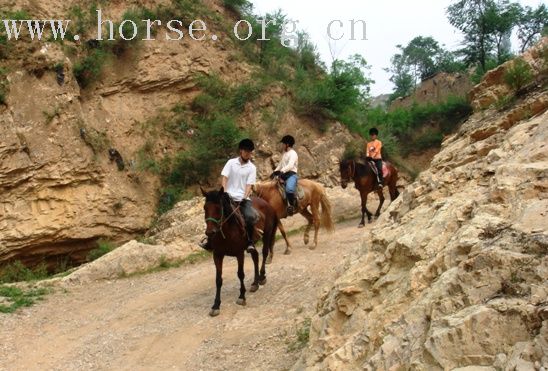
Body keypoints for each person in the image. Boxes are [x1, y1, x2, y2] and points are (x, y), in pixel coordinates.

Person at [200, 138, 258, 253]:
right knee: (215, 213)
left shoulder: (252, 168)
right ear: (241, 151)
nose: (248, 154)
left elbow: (249, 185)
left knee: (250, 216)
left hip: (242, 198)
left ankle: (250, 242)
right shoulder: (231, 163)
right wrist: (225, 192)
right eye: (246, 151)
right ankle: (210, 242)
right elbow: (225, 178)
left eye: (250, 152)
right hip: (228, 195)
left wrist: (244, 197)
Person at [270, 135, 299, 215]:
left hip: (291, 175)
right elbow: (280, 164)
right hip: (283, 174)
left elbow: (290, 165)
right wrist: (274, 172)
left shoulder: (293, 153)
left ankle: (292, 206)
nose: (282, 145)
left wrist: (281, 171)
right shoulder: (285, 153)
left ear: (287, 144)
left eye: (283, 143)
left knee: (289, 189)